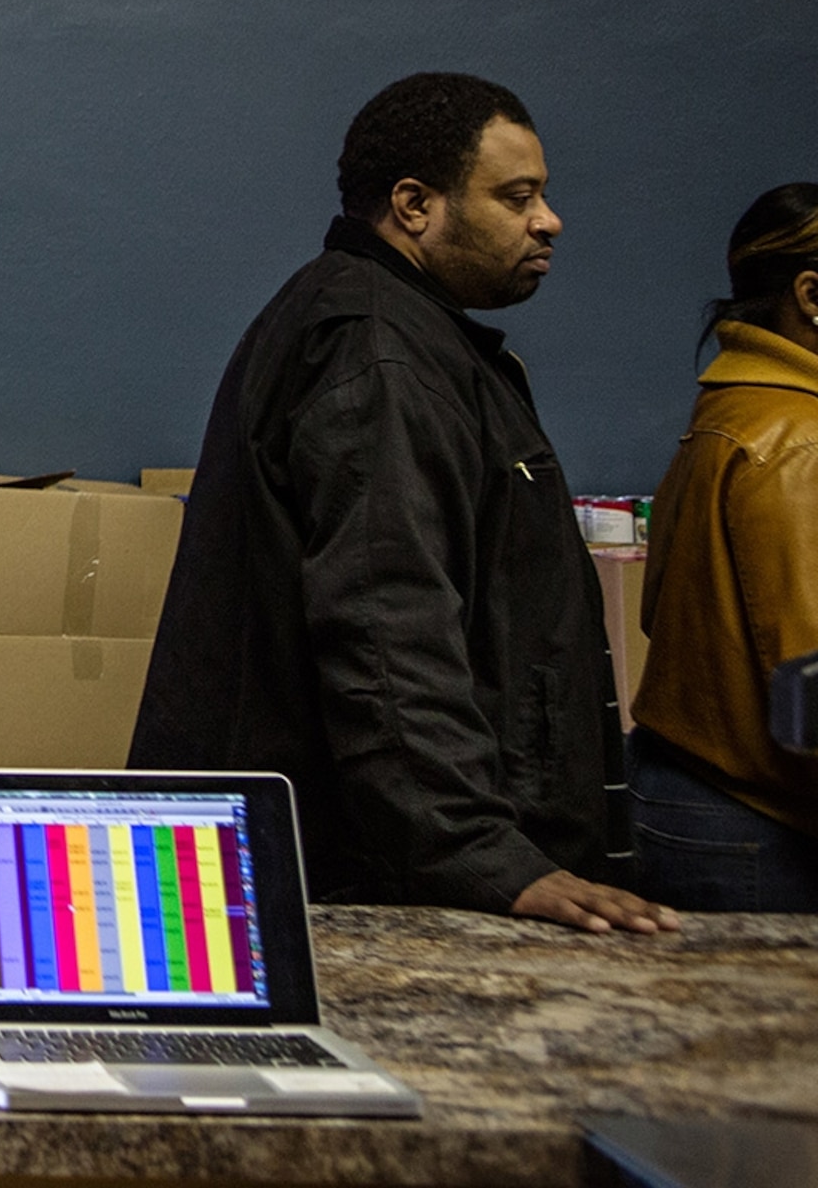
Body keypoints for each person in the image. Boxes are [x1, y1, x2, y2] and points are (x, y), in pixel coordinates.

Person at [131, 73, 674, 934]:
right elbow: (387, 628)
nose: (548, 219)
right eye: (517, 196)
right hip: (372, 892)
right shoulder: (375, 352)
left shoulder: (406, 335)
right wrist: (484, 857)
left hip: (393, 873)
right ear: (414, 204)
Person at [629, 183, 818, 910]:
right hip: (760, 826)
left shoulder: (734, 404)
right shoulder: (797, 440)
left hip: (691, 791)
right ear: (810, 292)